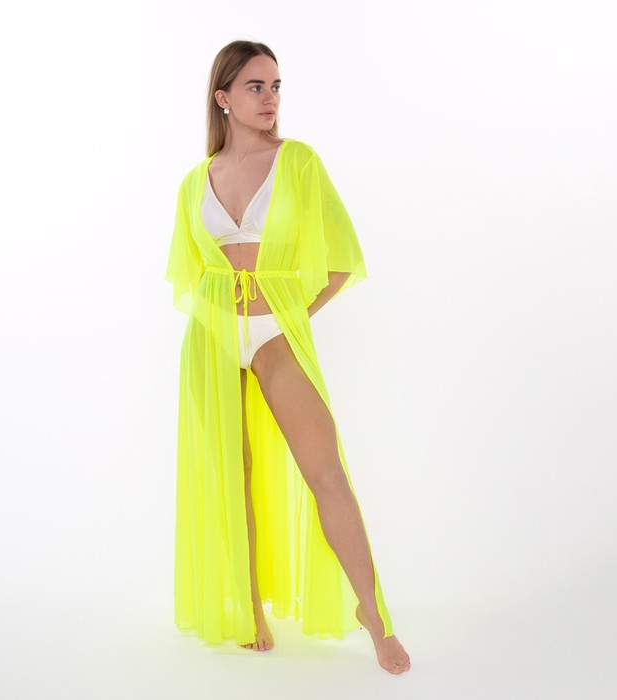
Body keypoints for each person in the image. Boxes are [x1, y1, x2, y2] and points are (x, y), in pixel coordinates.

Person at [165, 39, 411, 674]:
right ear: (223, 98)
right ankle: (250, 608)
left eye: (276, 86)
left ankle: (375, 616)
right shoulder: (195, 181)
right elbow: (187, 277)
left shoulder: (297, 161)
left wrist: (288, 315)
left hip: (276, 330)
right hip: (213, 335)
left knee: (325, 472)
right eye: (256, 86)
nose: (270, 98)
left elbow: (339, 262)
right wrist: (224, 321)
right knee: (233, 476)